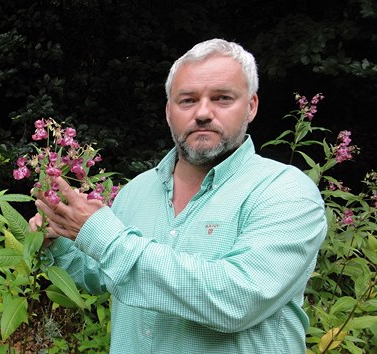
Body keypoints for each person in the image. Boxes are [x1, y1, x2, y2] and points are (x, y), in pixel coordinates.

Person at [30, 38, 327, 353]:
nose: (202, 113)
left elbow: (238, 299)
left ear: (251, 106)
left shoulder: (285, 192)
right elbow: (102, 276)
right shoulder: (136, 191)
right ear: (169, 111)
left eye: (222, 98)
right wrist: (60, 240)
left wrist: (105, 237)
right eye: (187, 100)